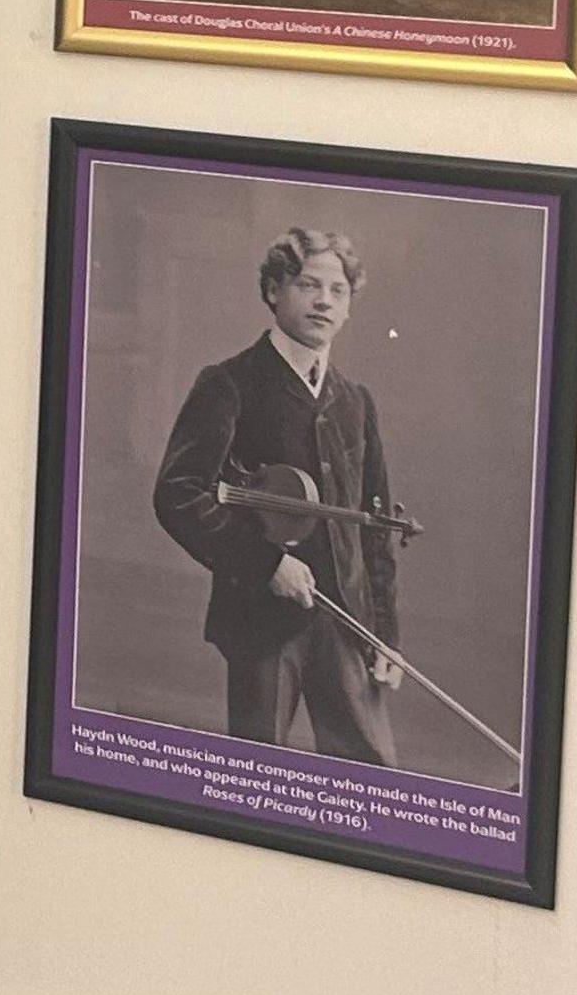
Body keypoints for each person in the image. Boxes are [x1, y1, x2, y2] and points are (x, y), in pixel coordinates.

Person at [150, 228, 402, 764]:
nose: (323, 301)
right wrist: (266, 563)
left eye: (338, 291)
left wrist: (385, 633)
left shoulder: (356, 401)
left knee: (372, 779)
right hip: (261, 626)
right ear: (273, 291)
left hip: (346, 626)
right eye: (309, 285)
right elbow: (179, 493)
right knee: (258, 776)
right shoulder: (229, 383)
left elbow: (375, 524)